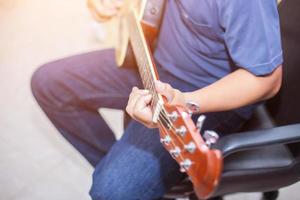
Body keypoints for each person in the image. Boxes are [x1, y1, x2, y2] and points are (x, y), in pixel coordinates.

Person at [31, 0, 283, 199]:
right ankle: (137, 176)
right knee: (49, 84)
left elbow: (267, 81)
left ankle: (137, 179)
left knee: (112, 192)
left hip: (206, 91)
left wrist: (185, 101)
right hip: (152, 58)